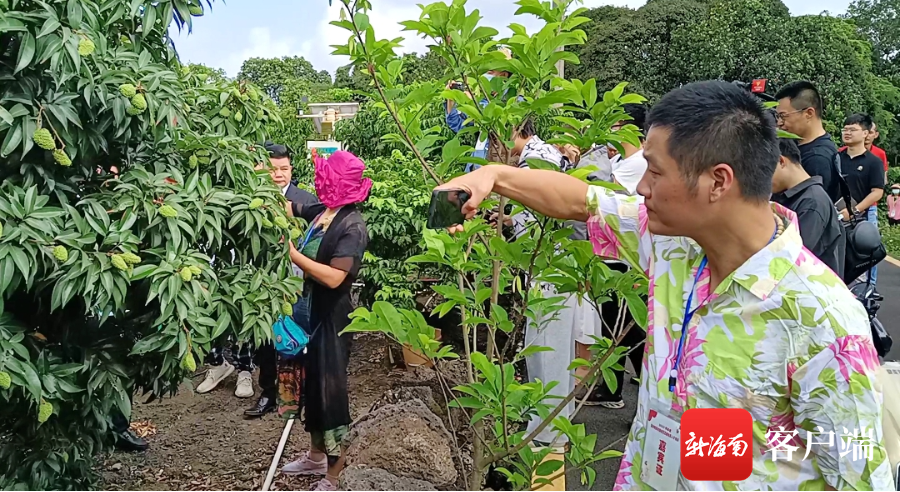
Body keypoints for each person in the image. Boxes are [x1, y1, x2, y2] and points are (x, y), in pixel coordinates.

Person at [435, 80, 891, 490]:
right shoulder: (676, 245)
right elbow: (582, 201)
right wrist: (493, 176)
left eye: (654, 171)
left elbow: (857, 477)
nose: (641, 188)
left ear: (718, 181)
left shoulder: (822, 319)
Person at [197, 142, 319, 419]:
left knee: (300, 337)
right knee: (266, 341)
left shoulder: (306, 202)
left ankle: (301, 394)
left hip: (296, 282)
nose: (279, 175)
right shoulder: (249, 200)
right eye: (273, 169)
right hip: (261, 285)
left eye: (284, 169)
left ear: (291, 169)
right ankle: (269, 392)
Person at [280, 150, 369, 492]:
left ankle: (334, 474)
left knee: (330, 391)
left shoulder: (352, 225)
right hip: (309, 312)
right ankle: (316, 456)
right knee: (313, 384)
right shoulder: (324, 211)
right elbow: (288, 207)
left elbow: (334, 278)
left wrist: (294, 256)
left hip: (332, 318)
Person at [579, 103, 649, 408]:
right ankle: (616, 389)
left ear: (628, 127)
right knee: (616, 327)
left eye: (614, 125)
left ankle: (625, 391)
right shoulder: (621, 160)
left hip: (624, 260)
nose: (610, 131)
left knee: (626, 329)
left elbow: (597, 189)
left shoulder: (638, 163)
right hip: (608, 256)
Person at [771, 138, 845, 277]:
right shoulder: (796, 197)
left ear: (781, 161)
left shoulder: (812, 203)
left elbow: (791, 258)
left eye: (764, 171)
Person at [445, 47, 513, 171]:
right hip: (476, 167)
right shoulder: (482, 100)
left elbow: (499, 123)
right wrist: (451, 99)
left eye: (490, 72)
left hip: (498, 168)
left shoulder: (513, 100)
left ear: (503, 75)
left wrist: (471, 103)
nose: (486, 75)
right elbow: (457, 125)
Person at [775, 81, 841, 203]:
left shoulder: (817, 158)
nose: (779, 123)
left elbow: (811, 205)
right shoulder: (799, 144)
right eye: (777, 117)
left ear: (809, 113)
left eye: (783, 116)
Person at [838, 114, 885, 285]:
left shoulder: (874, 162)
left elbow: (877, 192)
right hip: (835, 216)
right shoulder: (836, 158)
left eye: (853, 129)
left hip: (858, 220)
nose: (847, 133)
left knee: (860, 261)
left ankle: (867, 291)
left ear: (865, 133)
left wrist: (854, 211)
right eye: (845, 129)